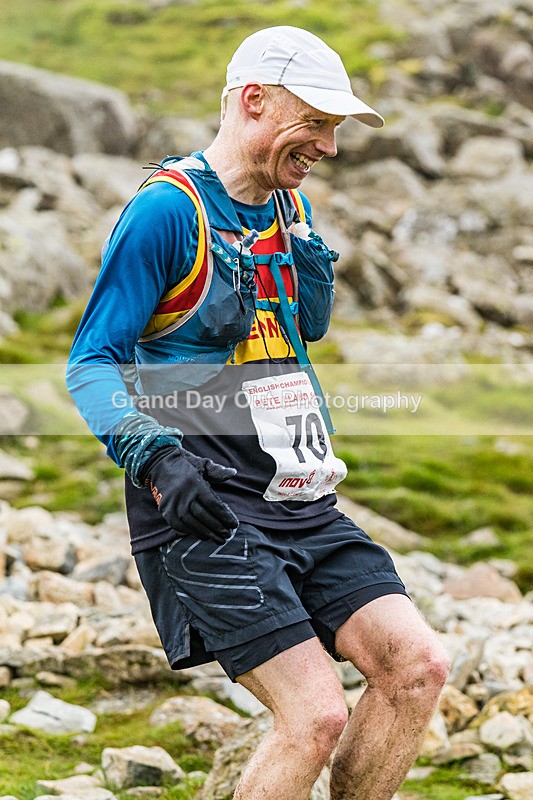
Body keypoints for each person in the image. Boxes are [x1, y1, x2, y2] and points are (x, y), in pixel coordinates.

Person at [67, 25, 450, 800]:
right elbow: (89, 363)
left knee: (417, 668)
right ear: (252, 101)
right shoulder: (166, 212)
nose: (328, 147)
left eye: (334, 129)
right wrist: (157, 458)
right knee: (314, 718)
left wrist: (307, 256)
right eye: (315, 123)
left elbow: (304, 328)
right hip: (205, 503)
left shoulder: (287, 205)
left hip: (301, 499)